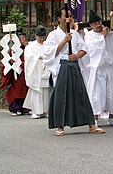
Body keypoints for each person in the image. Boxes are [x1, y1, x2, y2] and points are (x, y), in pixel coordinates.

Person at [44, 8, 104, 136]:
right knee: (61, 95)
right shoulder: (53, 35)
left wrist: (77, 56)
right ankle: (60, 126)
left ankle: (91, 124)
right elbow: (49, 53)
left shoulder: (75, 34)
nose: (69, 19)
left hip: (74, 65)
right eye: (66, 16)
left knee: (81, 93)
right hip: (63, 66)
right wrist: (64, 41)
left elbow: (84, 48)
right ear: (59, 19)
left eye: (70, 16)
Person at [85, 10, 113, 126]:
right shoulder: (89, 36)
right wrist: (103, 36)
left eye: (99, 22)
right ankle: (95, 118)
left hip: (109, 67)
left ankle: (112, 117)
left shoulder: (109, 33)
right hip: (98, 68)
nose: (98, 25)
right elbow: (93, 50)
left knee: (112, 93)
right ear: (91, 25)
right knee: (97, 94)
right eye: (95, 23)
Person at [0, 31, 30, 116]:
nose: (23, 40)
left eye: (24, 38)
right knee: (17, 90)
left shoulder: (29, 48)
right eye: (21, 38)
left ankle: (25, 108)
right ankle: (15, 108)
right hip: (17, 72)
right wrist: (11, 61)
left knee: (26, 90)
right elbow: (6, 58)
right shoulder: (14, 50)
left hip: (26, 72)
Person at [23, 26, 50, 119]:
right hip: (35, 71)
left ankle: (45, 110)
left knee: (45, 91)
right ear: (35, 36)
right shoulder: (30, 46)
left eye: (43, 37)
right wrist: (38, 57)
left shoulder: (47, 45)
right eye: (40, 37)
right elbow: (28, 56)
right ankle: (35, 111)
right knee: (36, 91)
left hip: (45, 70)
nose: (42, 39)